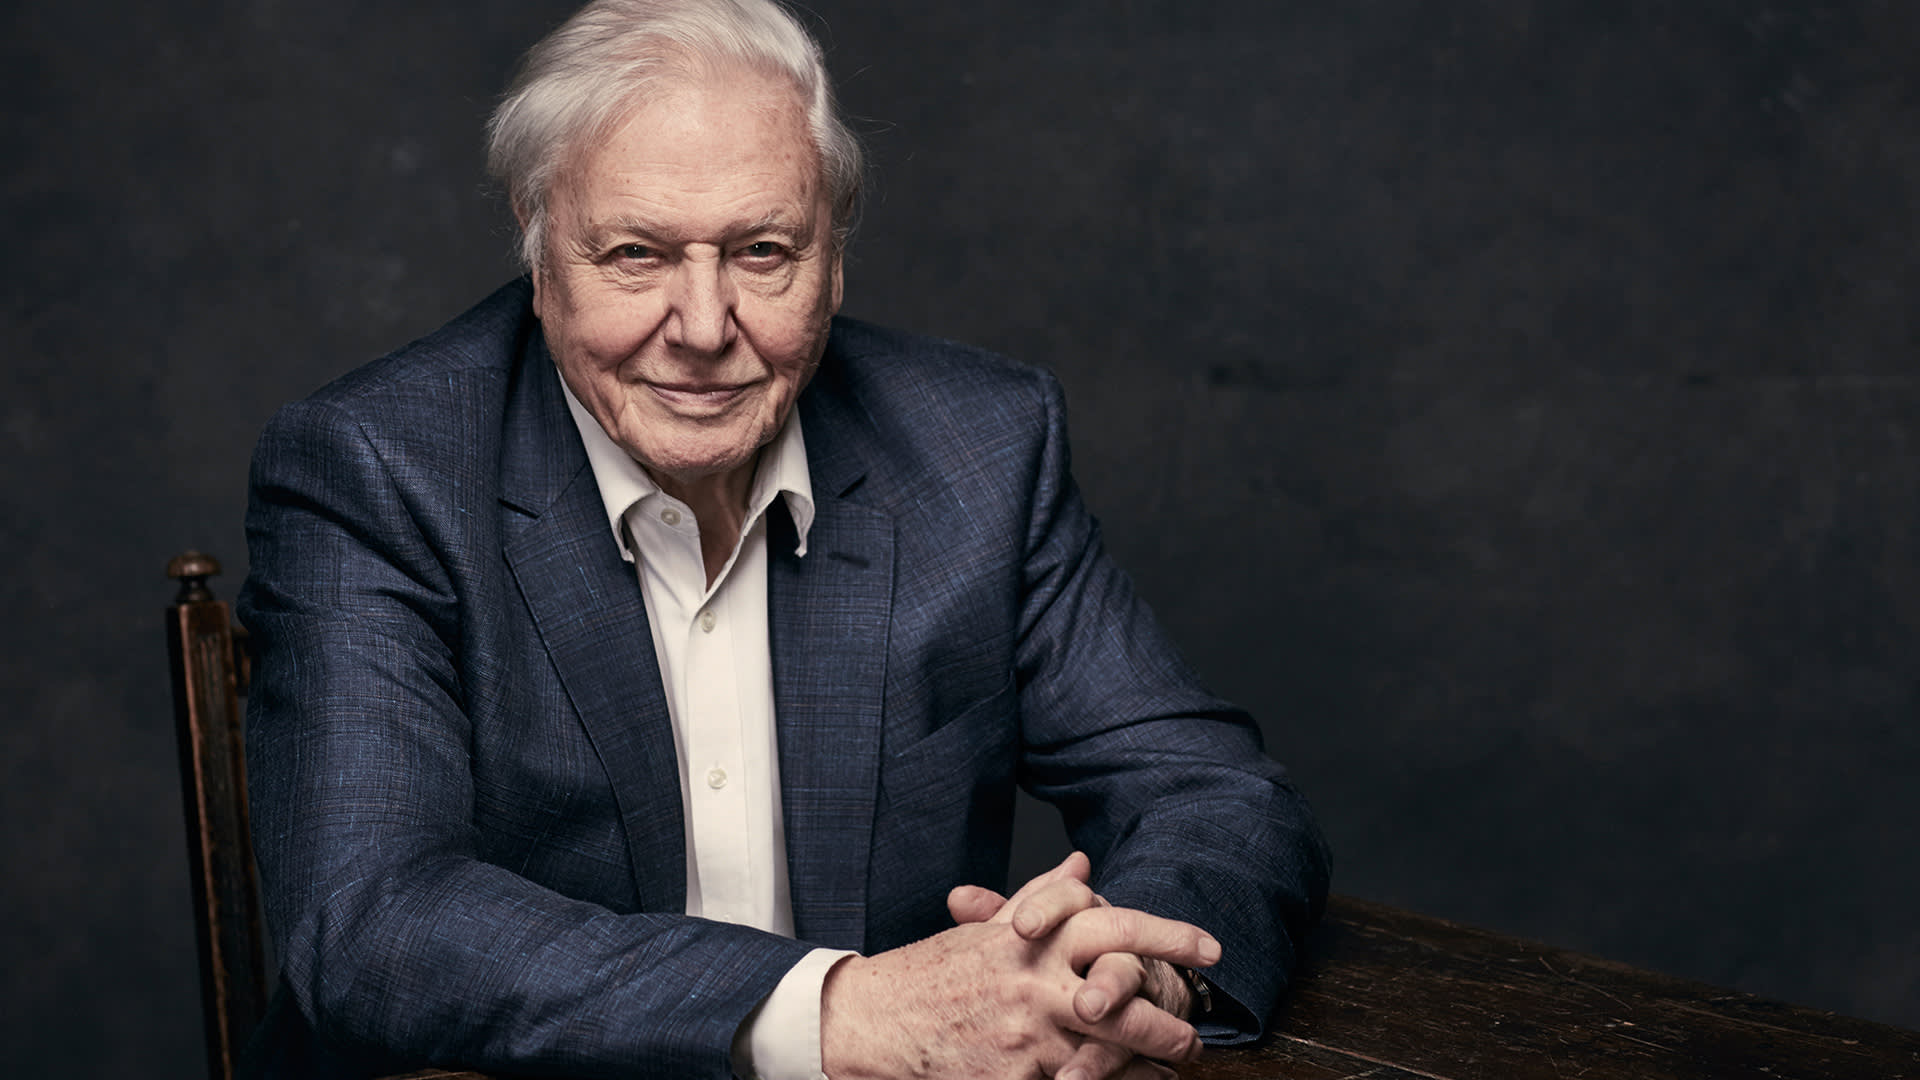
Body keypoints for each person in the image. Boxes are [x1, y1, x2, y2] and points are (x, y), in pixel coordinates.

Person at [237, 0, 1331, 1077]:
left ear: (834, 260)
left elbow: (1213, 796)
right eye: (635, 255)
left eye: (763, 252)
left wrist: (1128, 977)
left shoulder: (981, 447)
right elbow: (369, 918)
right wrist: (839, 1012)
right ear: (541, 253)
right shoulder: (378, 468)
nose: (706, 327)